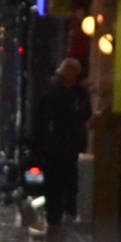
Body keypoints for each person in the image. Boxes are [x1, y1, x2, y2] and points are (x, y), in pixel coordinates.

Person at [32, 55, 90, 228]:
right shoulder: (54, 93)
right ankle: (56, 219)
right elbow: (43, 121)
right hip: (56, 149)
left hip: (68, 149)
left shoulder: (77, 94)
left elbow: (84, 116)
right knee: (56, 186)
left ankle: (64, 216)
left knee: (67, 185)